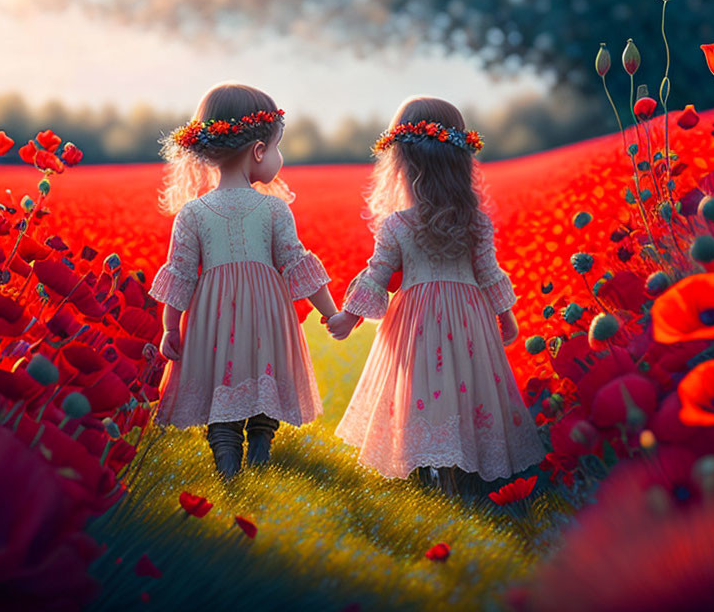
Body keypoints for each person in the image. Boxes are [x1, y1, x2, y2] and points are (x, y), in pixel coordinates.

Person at [326, 95, 545, 495]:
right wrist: (506, 315)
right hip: (468, 317)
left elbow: (376, 277)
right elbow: (488, 273)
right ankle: (463, 460)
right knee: (467, 383)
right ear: (460, 163)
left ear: (402, 164)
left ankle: (431, 460)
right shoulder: (475, 222)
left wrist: (348, 316)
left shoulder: (396, 225)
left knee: (424, 387)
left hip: (416, 320)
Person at [149, 82, 337, 478]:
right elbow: (296, 265)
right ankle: (260, 452)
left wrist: (170, 327)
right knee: (263, 375)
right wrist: (330, 313)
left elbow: (180, 275)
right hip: (266, 313)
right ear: (258, 151)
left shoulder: (193, 214)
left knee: (224, 385)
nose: (279, 157)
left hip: (213, 317)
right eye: (278, 147)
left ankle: (228, 464)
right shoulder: (273, 210)